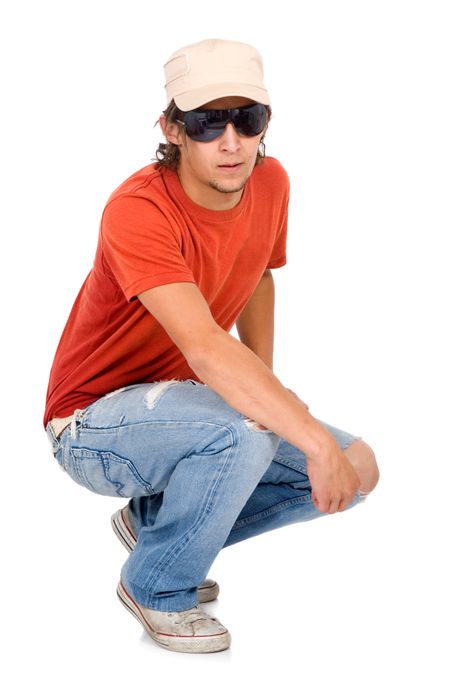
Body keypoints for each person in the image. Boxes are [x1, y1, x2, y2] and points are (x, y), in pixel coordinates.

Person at [43, 38, 379, 654]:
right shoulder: (137, 210)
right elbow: (201, 346)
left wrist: (266, 387)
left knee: (354, 471)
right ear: (172, 128)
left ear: (264, 125)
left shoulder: (270, 180)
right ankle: (157, 585)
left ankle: (153, 525)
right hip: (91, 423)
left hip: (188, 406)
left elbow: (260, 276)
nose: (230, 142)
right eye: (206, 123)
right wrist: (284, 420)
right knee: (248, 430)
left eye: (246, 120)